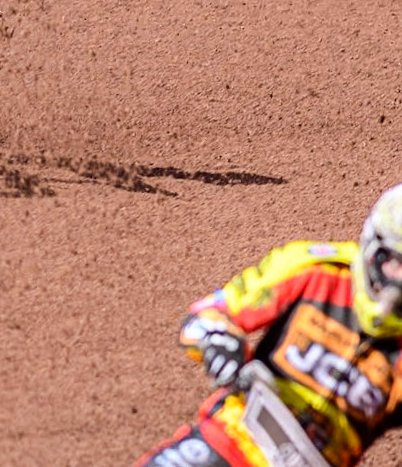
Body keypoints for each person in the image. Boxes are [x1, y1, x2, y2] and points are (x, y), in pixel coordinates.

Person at [136, 184, 402, 467]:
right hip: (230, 441)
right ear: (372, 248)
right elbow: (204, 317)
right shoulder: (313, 271)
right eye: (395, 263)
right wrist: (221, 345)